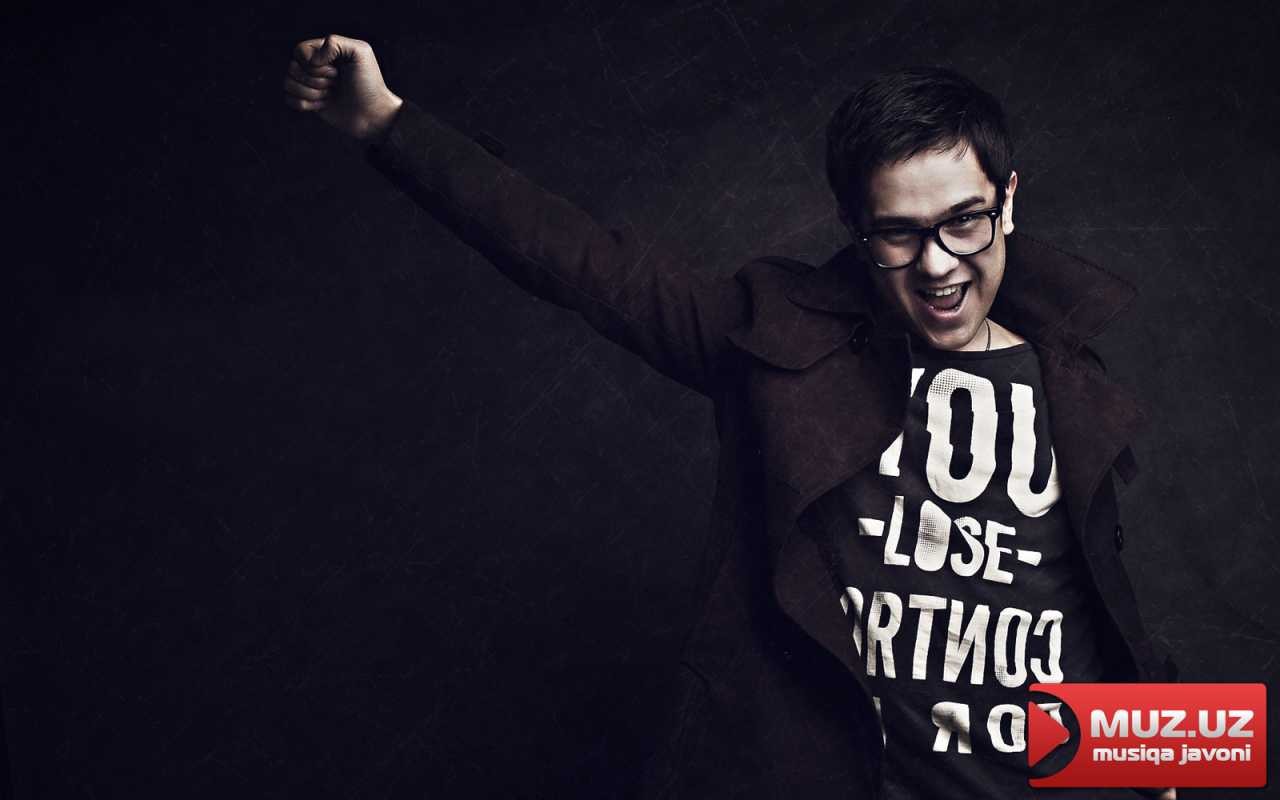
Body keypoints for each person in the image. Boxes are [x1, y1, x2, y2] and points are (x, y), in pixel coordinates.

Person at [283, 33, 1177, 800]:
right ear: (856, 229)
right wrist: (388, 123)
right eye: (900, 233)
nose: (938, 264)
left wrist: (1166, 757)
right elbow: (582, 261)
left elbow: (1093, 614)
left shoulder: (1071, 378)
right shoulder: (778, 340)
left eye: (965, 221)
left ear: (1008, 201)